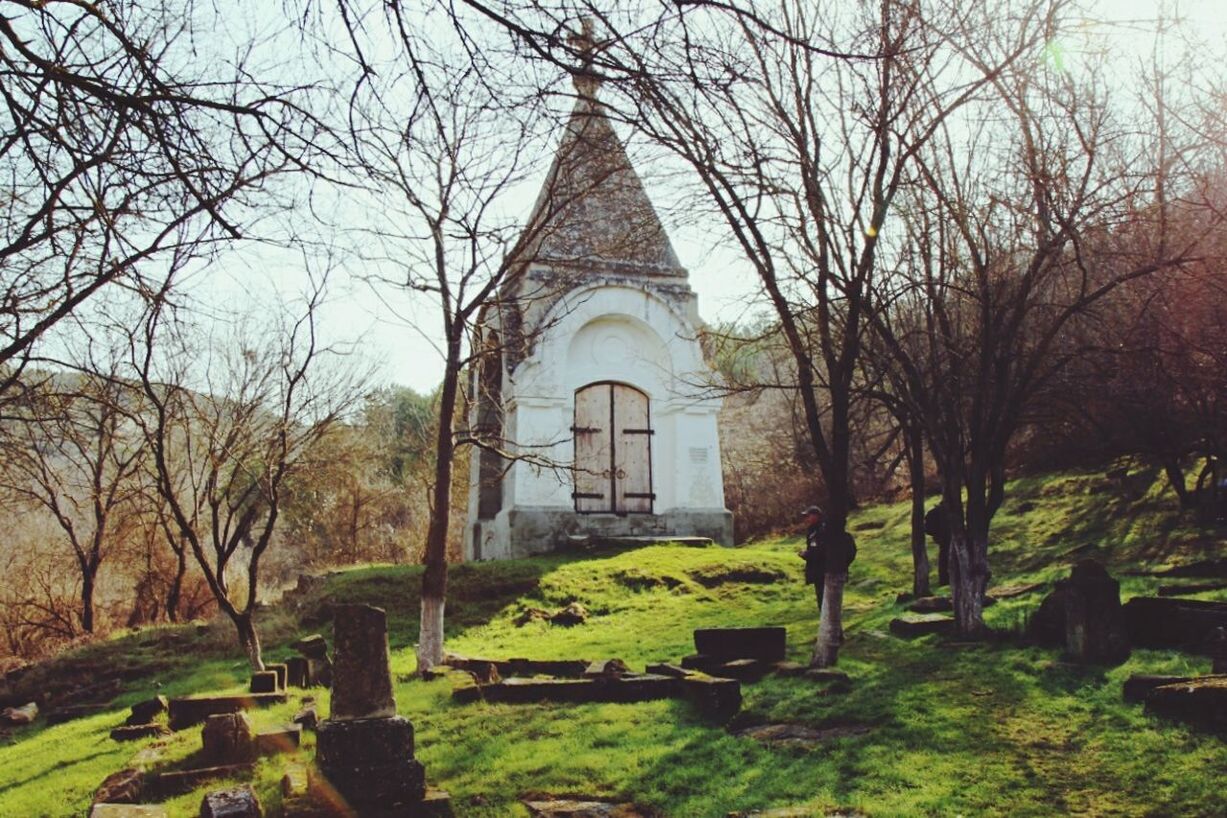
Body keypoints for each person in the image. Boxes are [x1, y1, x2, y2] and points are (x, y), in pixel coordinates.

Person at [798, 505, 827, 614]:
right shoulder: (812, 531)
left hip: (823, 571)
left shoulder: (822, 530)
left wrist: (807, 554)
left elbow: (821, 551)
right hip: (817, 571)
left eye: (808, 516)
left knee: (825, 601)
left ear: (816, 516)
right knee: (821, 600)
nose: (806, 519)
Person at [924, 501, 952, 587]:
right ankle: (945, 580)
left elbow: (927, 528)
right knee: (945, 558)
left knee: (944, 558)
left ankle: (944, 579)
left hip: (943, 538)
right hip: (945, 538)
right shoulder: (942, 513)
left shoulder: (934, 512)